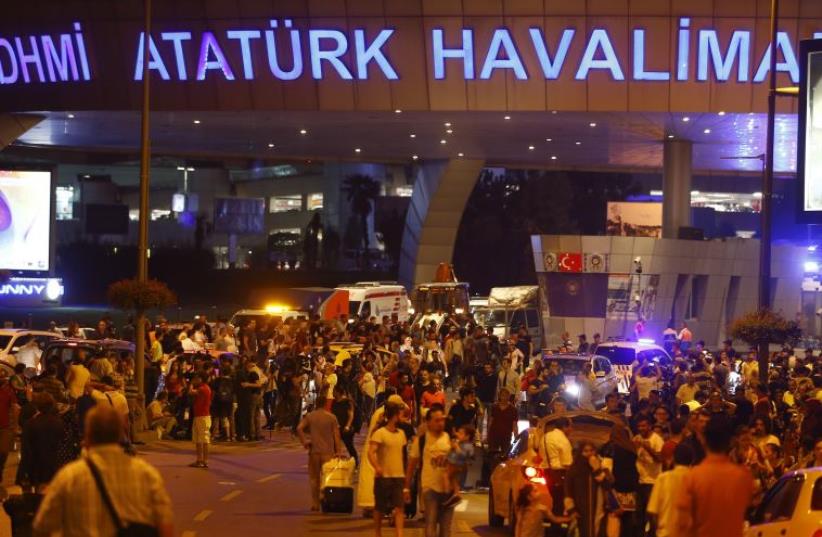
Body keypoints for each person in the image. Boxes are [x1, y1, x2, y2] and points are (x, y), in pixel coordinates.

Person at [32, 405, 174, 537]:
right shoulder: (146, 474)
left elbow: (42, 526)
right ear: (120, 435)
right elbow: (165, 525)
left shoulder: (69, 477)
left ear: (88, 435)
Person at [675, 415, 754, 537]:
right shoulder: (744, 476)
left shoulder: (692, 477)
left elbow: (682, 522)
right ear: (730, 442)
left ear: (704, 440)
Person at [405, 404, 454, 537]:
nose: (440, 423)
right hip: (430, 488)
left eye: (442, 420)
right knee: (430, 524)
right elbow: (411, 465)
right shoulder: (421, 440)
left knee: (445, 529)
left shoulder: (448, 438)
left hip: (447, 490)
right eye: (437, 420)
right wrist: (406, 488)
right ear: (428, 422)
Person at [297, 394, 344, 512]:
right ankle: (326, 499)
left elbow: (299, 428)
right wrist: (338, 451)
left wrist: (305, 441)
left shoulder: (310, 416)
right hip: (328, 452)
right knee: (328, 478)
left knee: (314, 478)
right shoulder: (332, 417)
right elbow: (336, 436)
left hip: (314, 452)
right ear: (325, 404)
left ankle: (315, 503)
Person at [369, 403, 407, 537]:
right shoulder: (380, 433)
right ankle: (377, 533)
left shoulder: (402, 434)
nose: (403, 417)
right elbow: (371, 452)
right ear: (394, 416)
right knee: (380, 507)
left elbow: (402, 455)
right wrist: (377, 467)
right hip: (383, 476)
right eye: (401, 414)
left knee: (399, 506)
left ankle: (399, 533)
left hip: (398, 475)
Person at [564, 441, 611, 537]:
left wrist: (597, 469)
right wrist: (571, 510)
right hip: (580, 510)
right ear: (580, 453)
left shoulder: (601, 468)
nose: (589, 453)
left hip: (598, 509)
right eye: (585, 451)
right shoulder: (574, 470)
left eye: (591, 450)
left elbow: (607, 485)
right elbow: (568, 492)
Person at [20, 392, 65, 491]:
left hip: (35, 464)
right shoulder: (59, 423)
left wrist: (23, 470)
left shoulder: (30, 423)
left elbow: (26, 449)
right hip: (52, 463)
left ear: (37, 406)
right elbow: (62, 443)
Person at [646, 443, 694, 537]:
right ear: (692, 459)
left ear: (674, 458)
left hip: (666, 533)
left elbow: (653, 511)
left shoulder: (663, 478)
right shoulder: (696, 479)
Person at [633, 415, 664, 537]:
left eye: (644, 425)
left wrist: (648, 448)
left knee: (652, 514)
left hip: (653, 481)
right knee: (639, 513)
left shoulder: (657, 440)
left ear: (649, 426)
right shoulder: (637, 438)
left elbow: (660, 459)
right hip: (640, 481)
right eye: (639, 426)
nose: (641, 428)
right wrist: (635, 448)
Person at [443, 424, 475, 507]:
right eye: (458, 433)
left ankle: (447, 494)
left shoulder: (468, 446)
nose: (458, 434)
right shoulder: (460, 443)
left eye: (461, 433)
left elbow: (464, 455)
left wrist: (456, 447)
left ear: (467, 436)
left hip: (457, 464)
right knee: (454, 480)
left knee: (446, 475)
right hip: (454, 463)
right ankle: (456, 495)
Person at [189, 373, 212, 469]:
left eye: (197, 378)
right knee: (199, 439)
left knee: (203, 439)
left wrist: (191, 384)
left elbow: (190, 392)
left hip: (202, 416)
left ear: (201, 379)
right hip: (200, 415)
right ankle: (200, 460)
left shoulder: (203, 388)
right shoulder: (204, 388)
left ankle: (204, 460)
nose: (195, 380)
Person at [331, 385, 358, 466]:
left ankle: (356, 463)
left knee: (349, 446)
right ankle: (336, 463)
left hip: (346, 428)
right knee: (335, 447)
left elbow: (351, 414)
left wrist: (347, 426)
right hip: (337, 428)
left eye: (334, 391)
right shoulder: (334, 402)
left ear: (338, 392)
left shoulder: (347, 401)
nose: (332, 393)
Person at [487, 388, 519, 454]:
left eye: (506, 395)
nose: (504, 398)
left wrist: (516, 438)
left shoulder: (513, 410)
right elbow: (490, 421)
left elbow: (515, 425)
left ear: (509, 396)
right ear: (499, 396)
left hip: (506, 436)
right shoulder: (494, 407)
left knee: (505, 455)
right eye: (502, 395)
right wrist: (488, 434)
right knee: (492, 454)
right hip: (494, 435)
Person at [0, 370, 16, 480]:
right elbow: (15, 408)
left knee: (3, 453)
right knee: (3, 453)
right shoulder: (9, 391)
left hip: (4, 426)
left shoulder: (9, 392)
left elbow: (14, 408)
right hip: (5, 426)